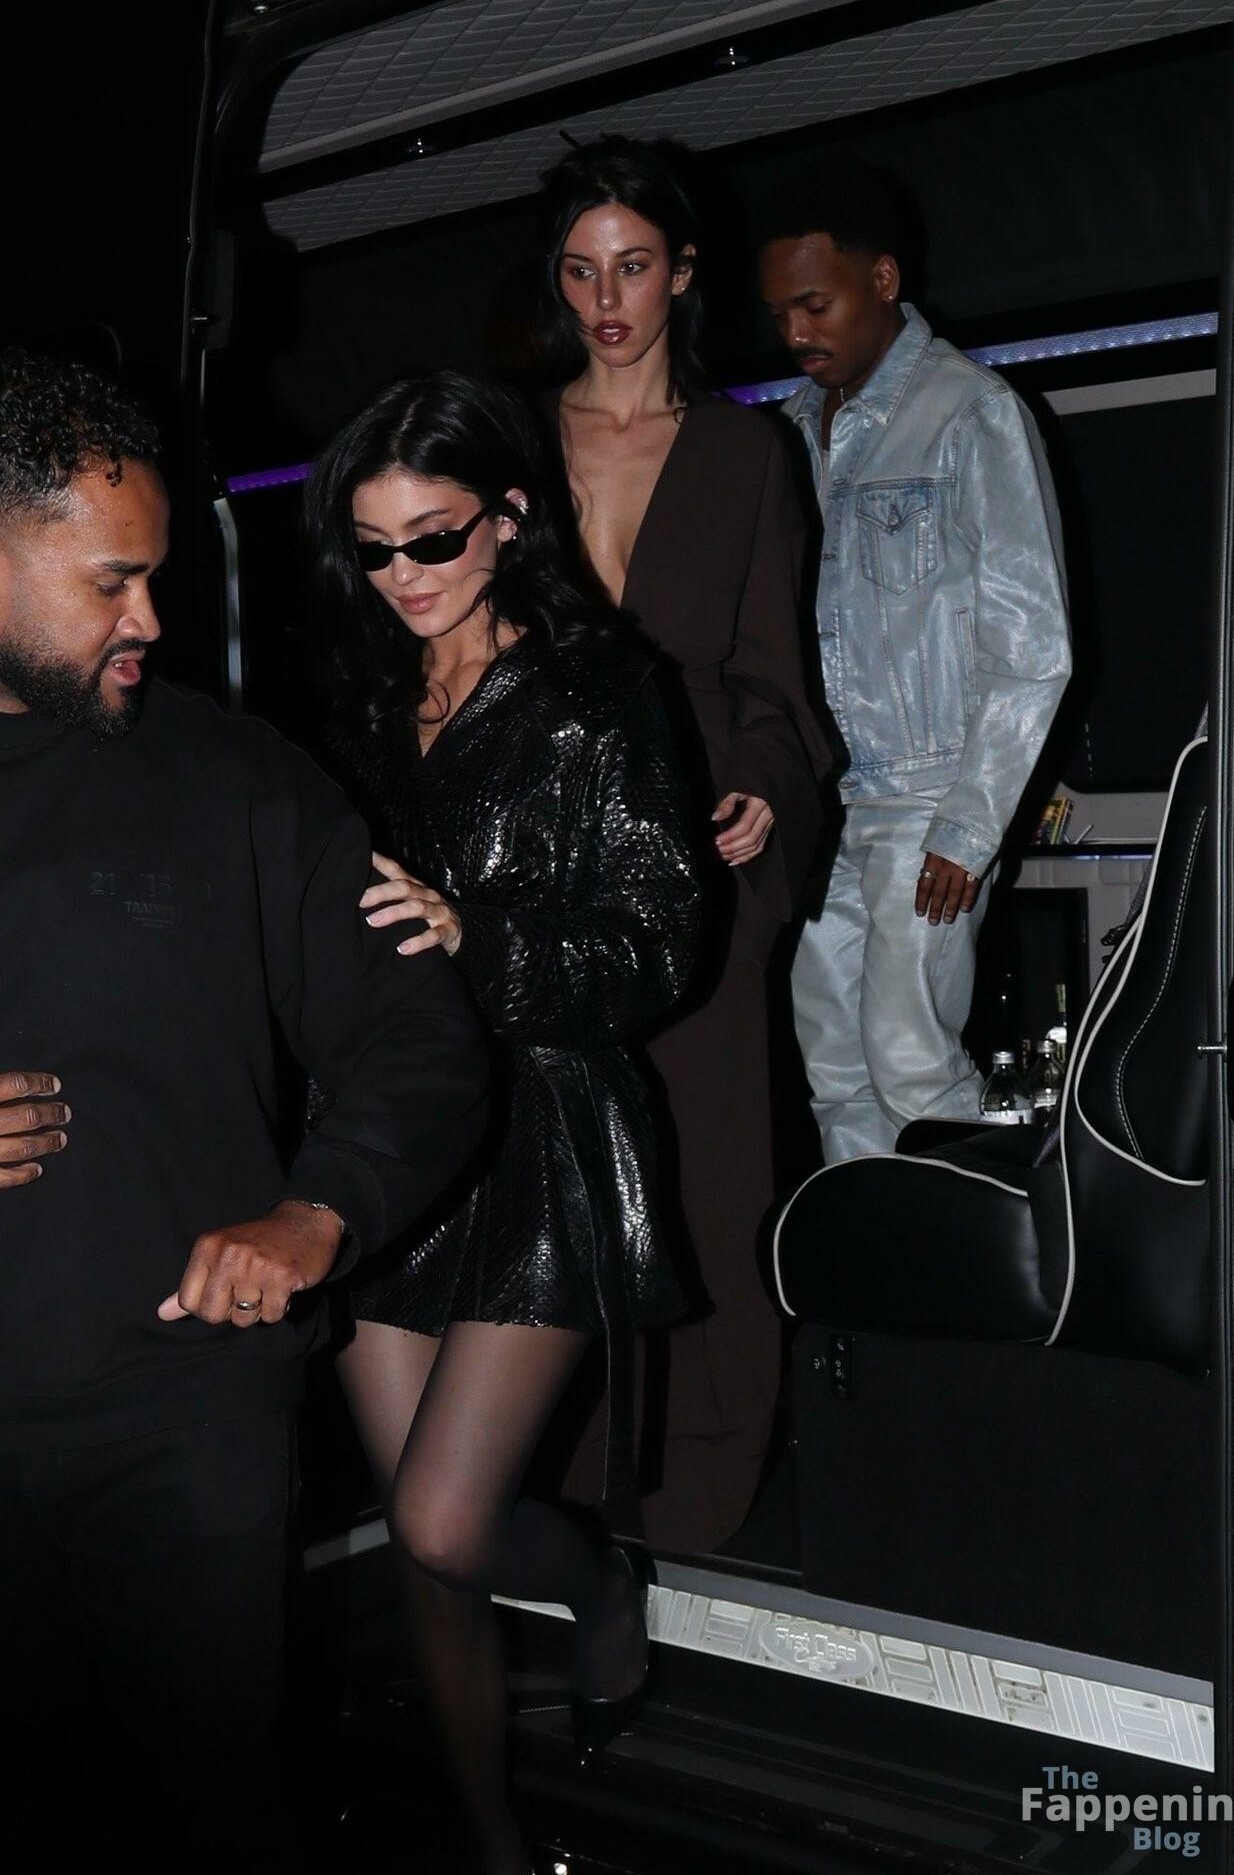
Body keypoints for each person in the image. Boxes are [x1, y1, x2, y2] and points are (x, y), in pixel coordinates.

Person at [0, 349, 488, 1868]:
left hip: (180, 1425)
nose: (150, 619)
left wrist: (319, 1208)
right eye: (111, 582)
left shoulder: (233, 781)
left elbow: (421, 1040)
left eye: (156, 578)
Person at [303, 369, 699, 1875]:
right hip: (387, 1135)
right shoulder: (356, 701)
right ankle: (488, 1845)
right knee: (426, 1559)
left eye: (436, 538)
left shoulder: (600, 696)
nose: (403, 574)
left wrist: (479, 937)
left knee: (444, 1523)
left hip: (543, 1137)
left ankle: (602, 1593)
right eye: (376, 548)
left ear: (510, 518)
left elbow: (660, 949)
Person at [538, 133, 831, 1553]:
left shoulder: (744, 452)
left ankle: (706, 1488)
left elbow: (778, 683)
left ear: (683, 274)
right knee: (559, 1174)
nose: (607, 300)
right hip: (545, 861)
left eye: (633, 267)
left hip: (701, 869)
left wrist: (766, 788)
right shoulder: (509, 445)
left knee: (709, 1172)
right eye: (581, 271)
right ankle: (558, 1465)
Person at [757, 169, 1072, 1161]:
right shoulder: (788, 432)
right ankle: (870, 1248)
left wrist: (968, 825)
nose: (796, 331)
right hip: (824, 811)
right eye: (780, 313)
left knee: (911, 1061)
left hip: (927, 800)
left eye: (815, 304)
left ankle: (983, 1249)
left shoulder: (969, 411)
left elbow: (1032, 647)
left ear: (882, 279)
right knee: (833, 1065)